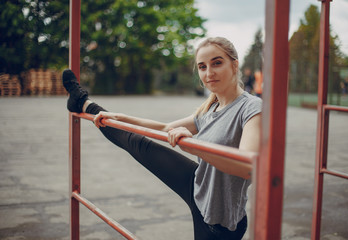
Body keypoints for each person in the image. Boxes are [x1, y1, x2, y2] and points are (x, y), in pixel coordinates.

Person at [63, 37, 262, 240]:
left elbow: (247, 167)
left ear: (235, 64)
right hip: (198, 187)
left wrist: (194, 147)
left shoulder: (251, 108)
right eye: (202, 67)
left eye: (217, 63)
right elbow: (166, 128)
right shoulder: (211, 107)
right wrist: (120, 117)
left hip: (221, 223)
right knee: (137, 143)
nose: (209, 73)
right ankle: (83, 102)